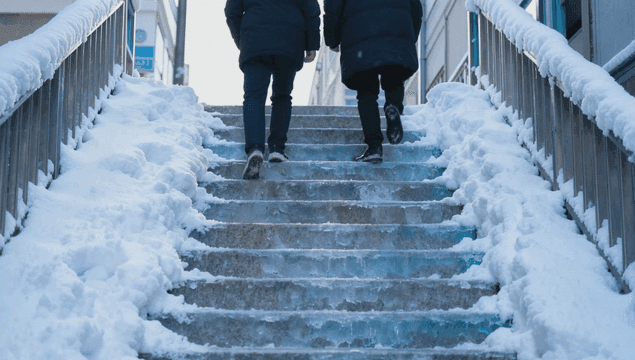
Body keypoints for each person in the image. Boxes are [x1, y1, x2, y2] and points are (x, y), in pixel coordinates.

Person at [225, 0, 321, 180]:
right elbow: (311, 10)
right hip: (290, 38)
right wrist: (312, 44)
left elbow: (232, 12)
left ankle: (255, 148)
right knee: (282, 96)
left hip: (255, 39)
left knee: (254, 96)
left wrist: (243, 39)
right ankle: (277, 148)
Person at [324, 0, 423, 163]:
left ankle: (374, 147)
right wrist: (409, 34)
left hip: (359, 32)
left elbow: (333, 7)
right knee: (394, 77)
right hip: (396, 26)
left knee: (366, 93)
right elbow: (416, 7)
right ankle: (393, 106)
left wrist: (332, 40)